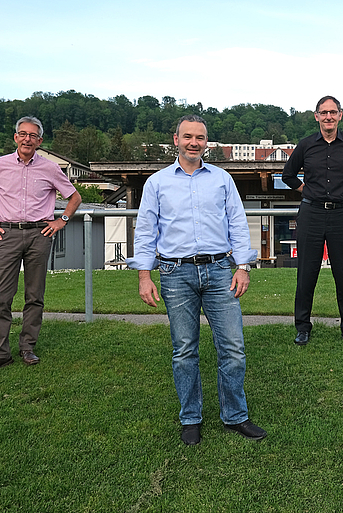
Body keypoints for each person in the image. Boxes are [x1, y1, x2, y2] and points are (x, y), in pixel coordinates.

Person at [127, 114, 266, 446]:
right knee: (184, 349)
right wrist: (145, 277)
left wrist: (243, 266)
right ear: (175, 140)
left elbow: (237, 222)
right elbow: (145, 232)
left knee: (233, 348)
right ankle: (191, 419)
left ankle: (235, 416)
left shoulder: (222, 179)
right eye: (187, 136)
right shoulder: (157, 183)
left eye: (200, 138)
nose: (194, 142)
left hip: (220, 272)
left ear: (207, 143)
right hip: (175, 274)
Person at [0, 116, 81, 377]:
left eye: (33, 135)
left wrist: (61, 221)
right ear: (15, 138)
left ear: (40, 141)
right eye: (23, 134)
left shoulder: (51, 169)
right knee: (1, 297)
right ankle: (0, 354)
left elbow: (74, 197)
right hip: (6, 235)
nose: (27, 139)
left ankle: (27, 347)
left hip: (38, 235)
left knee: (34, 296)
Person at [281, 96, 343, 346]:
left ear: (340, 115)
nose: (328, 117)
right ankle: (303, 327)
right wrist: (306, 190)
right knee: (306, 272)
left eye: (333, 112)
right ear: (316, 116)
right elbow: (288, 175)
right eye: (323, 112)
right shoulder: (306, 145)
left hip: (341, 214)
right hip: (311, 214)